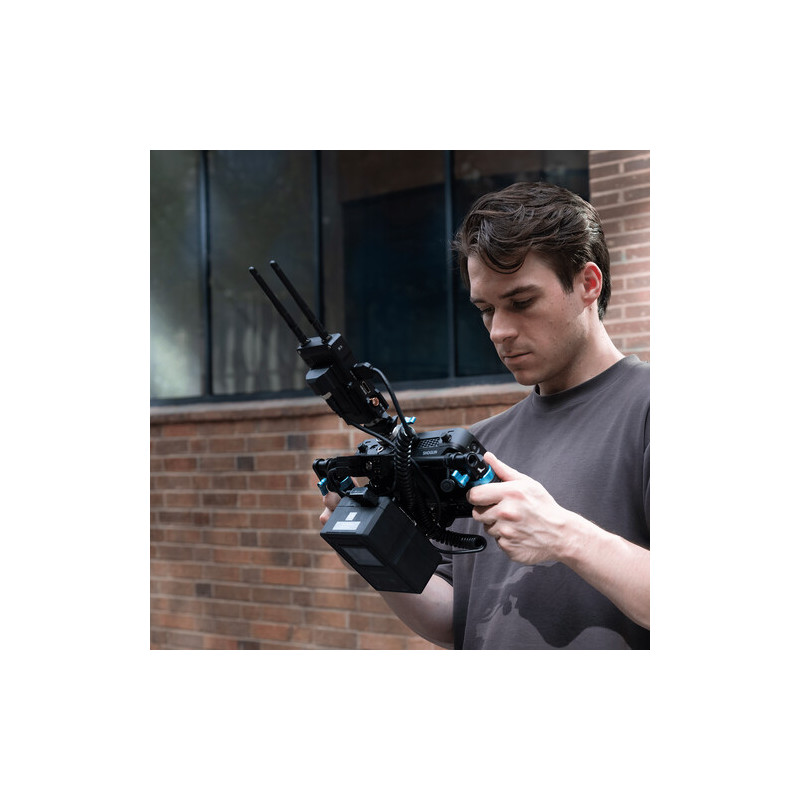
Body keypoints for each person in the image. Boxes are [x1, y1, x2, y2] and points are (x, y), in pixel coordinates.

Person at [320, 182, 650, 650]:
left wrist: (564, 536)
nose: (499, 331)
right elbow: (455, 618)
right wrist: (376, 546)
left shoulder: (649, 409)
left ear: (587, 284)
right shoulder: (478, 445)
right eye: (485, 309)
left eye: (521, 302)